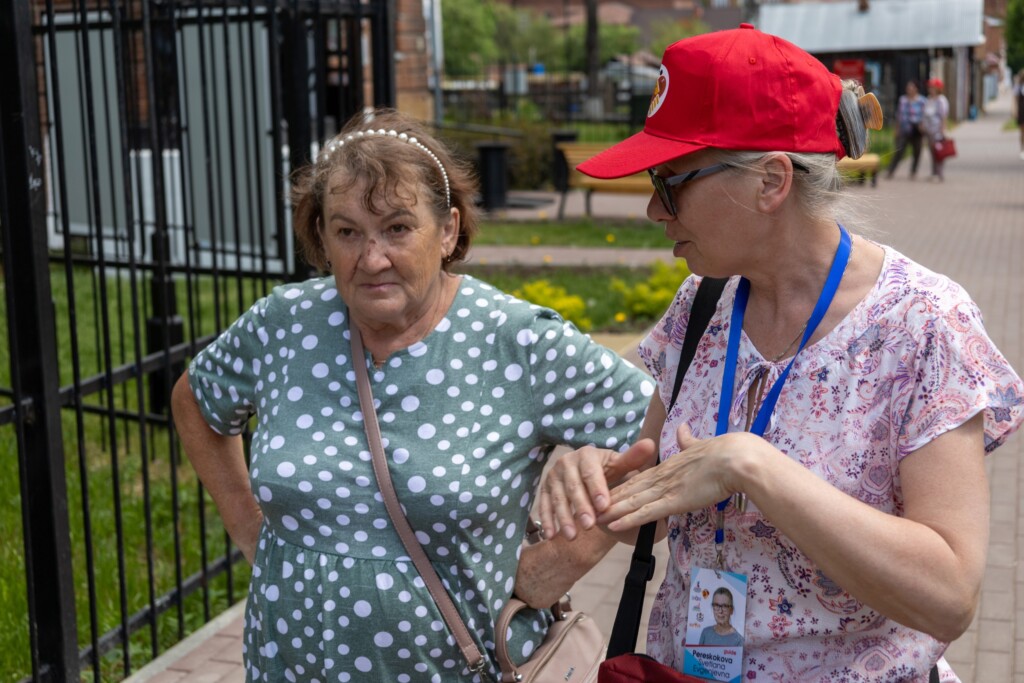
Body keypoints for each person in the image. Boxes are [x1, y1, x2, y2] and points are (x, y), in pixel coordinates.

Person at [538, 24, 1024, 682]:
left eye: (670, 181)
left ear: (771, 181)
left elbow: (949, 596)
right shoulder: (702, 303)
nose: (654, 208)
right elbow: (653, 513)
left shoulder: (923, 324)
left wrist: (752, 467)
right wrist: (598, 483)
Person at [170, 108, 656, 681]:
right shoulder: (284, 323)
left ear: (448, 230)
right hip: (287, 666)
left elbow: (671, 440)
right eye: (347, 232)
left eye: (398, 228)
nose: (371, 258)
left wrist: (565, 558)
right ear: (321, 236)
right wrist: (252, 533)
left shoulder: (516, 341)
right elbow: (195, 399)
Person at [885, 80, 925, 179]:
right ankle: (890, 171)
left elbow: (925, 115)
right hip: (904, 129)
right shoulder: (903, 100)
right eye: (908, 87)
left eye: (911, 87)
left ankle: (913, 171)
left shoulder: (922, 101)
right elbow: (899, 115)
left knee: (917, 151)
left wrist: (923, 125)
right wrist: (897, 129)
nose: (909, 89)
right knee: (899, 150)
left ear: (916, 89)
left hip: (917, 130)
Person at [922, 77, 951, 182]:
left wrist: (943, 129)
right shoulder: (929, 99)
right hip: (929, 131)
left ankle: (940, 173)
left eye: (932, 87)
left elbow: (943, 116)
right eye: (930, 87)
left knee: (939, 152)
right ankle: (934, 173)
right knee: (932, 152)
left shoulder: (941, 100)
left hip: (937, 131)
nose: (930, 89)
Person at [1014, 69, 1024, 160]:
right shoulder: (1019, 86)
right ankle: (1022, 149)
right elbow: (1015, 99)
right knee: (1022, 132)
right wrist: (1015, 111)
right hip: (1022, 111)